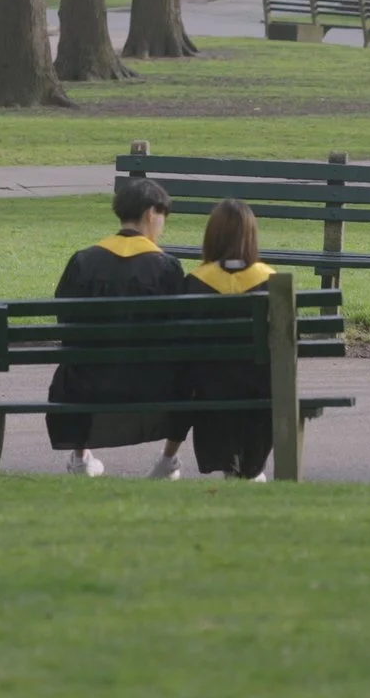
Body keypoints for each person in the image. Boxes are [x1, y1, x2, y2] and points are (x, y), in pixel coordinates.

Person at [48, 178, 188, 477]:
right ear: (151, 213)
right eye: (163, 217)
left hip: (87, 384)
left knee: (75, 360)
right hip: (153, 383)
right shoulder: (165, 267)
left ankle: (81, 457)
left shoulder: (83, 261)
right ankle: (167, 461)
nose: (162, 226)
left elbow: (66, 323)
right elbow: (179, 329)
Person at [149, 199, 278, 482]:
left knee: (191, 374)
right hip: (262, 390)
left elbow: (182, 344)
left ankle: (182, 460)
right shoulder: (271, 282)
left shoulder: (195, 282)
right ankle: (249, 467)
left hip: (208, 389)